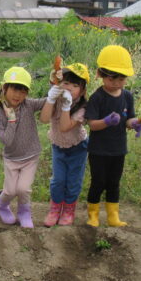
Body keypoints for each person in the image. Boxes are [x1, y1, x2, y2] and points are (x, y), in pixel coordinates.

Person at [84, 45, 141, 228]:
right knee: (98, 182)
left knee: (114, 183)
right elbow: (92, 124)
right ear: (100, 74)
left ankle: (113, 216)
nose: (117, 83)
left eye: (121, 79)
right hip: (99, 150)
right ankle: (93, 215)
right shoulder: (97, 97)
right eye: (112, 78)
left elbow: (128, 120)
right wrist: (106, 122)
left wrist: (134, 123)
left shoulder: (127, 96)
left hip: (118, 149)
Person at [0, 66, 45, 228]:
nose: (18, 95)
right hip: (12, 159)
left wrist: (55, 86)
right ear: (4, 88)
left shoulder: (28, 105)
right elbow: (6, 141)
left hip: (30, 156)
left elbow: (47, 101)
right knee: (10, 191)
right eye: (15, 89)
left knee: (23, 189)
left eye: (23, 91)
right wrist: (11, 120)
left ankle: (24, 212)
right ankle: (2, 204)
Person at [39, 62, 90, 226]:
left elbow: (64, 127)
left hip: (78, 148)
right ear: (60, 83)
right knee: (58, 180)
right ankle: (55, 209)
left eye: (75, 86)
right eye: (66, 83)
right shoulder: (56, 99)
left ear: (82, 91)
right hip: (58, 147)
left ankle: (68, 210)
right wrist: (50, 98)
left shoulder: (83, 107)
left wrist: (67, 106)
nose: (69, 88)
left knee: (73, 182)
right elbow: (44, 119)